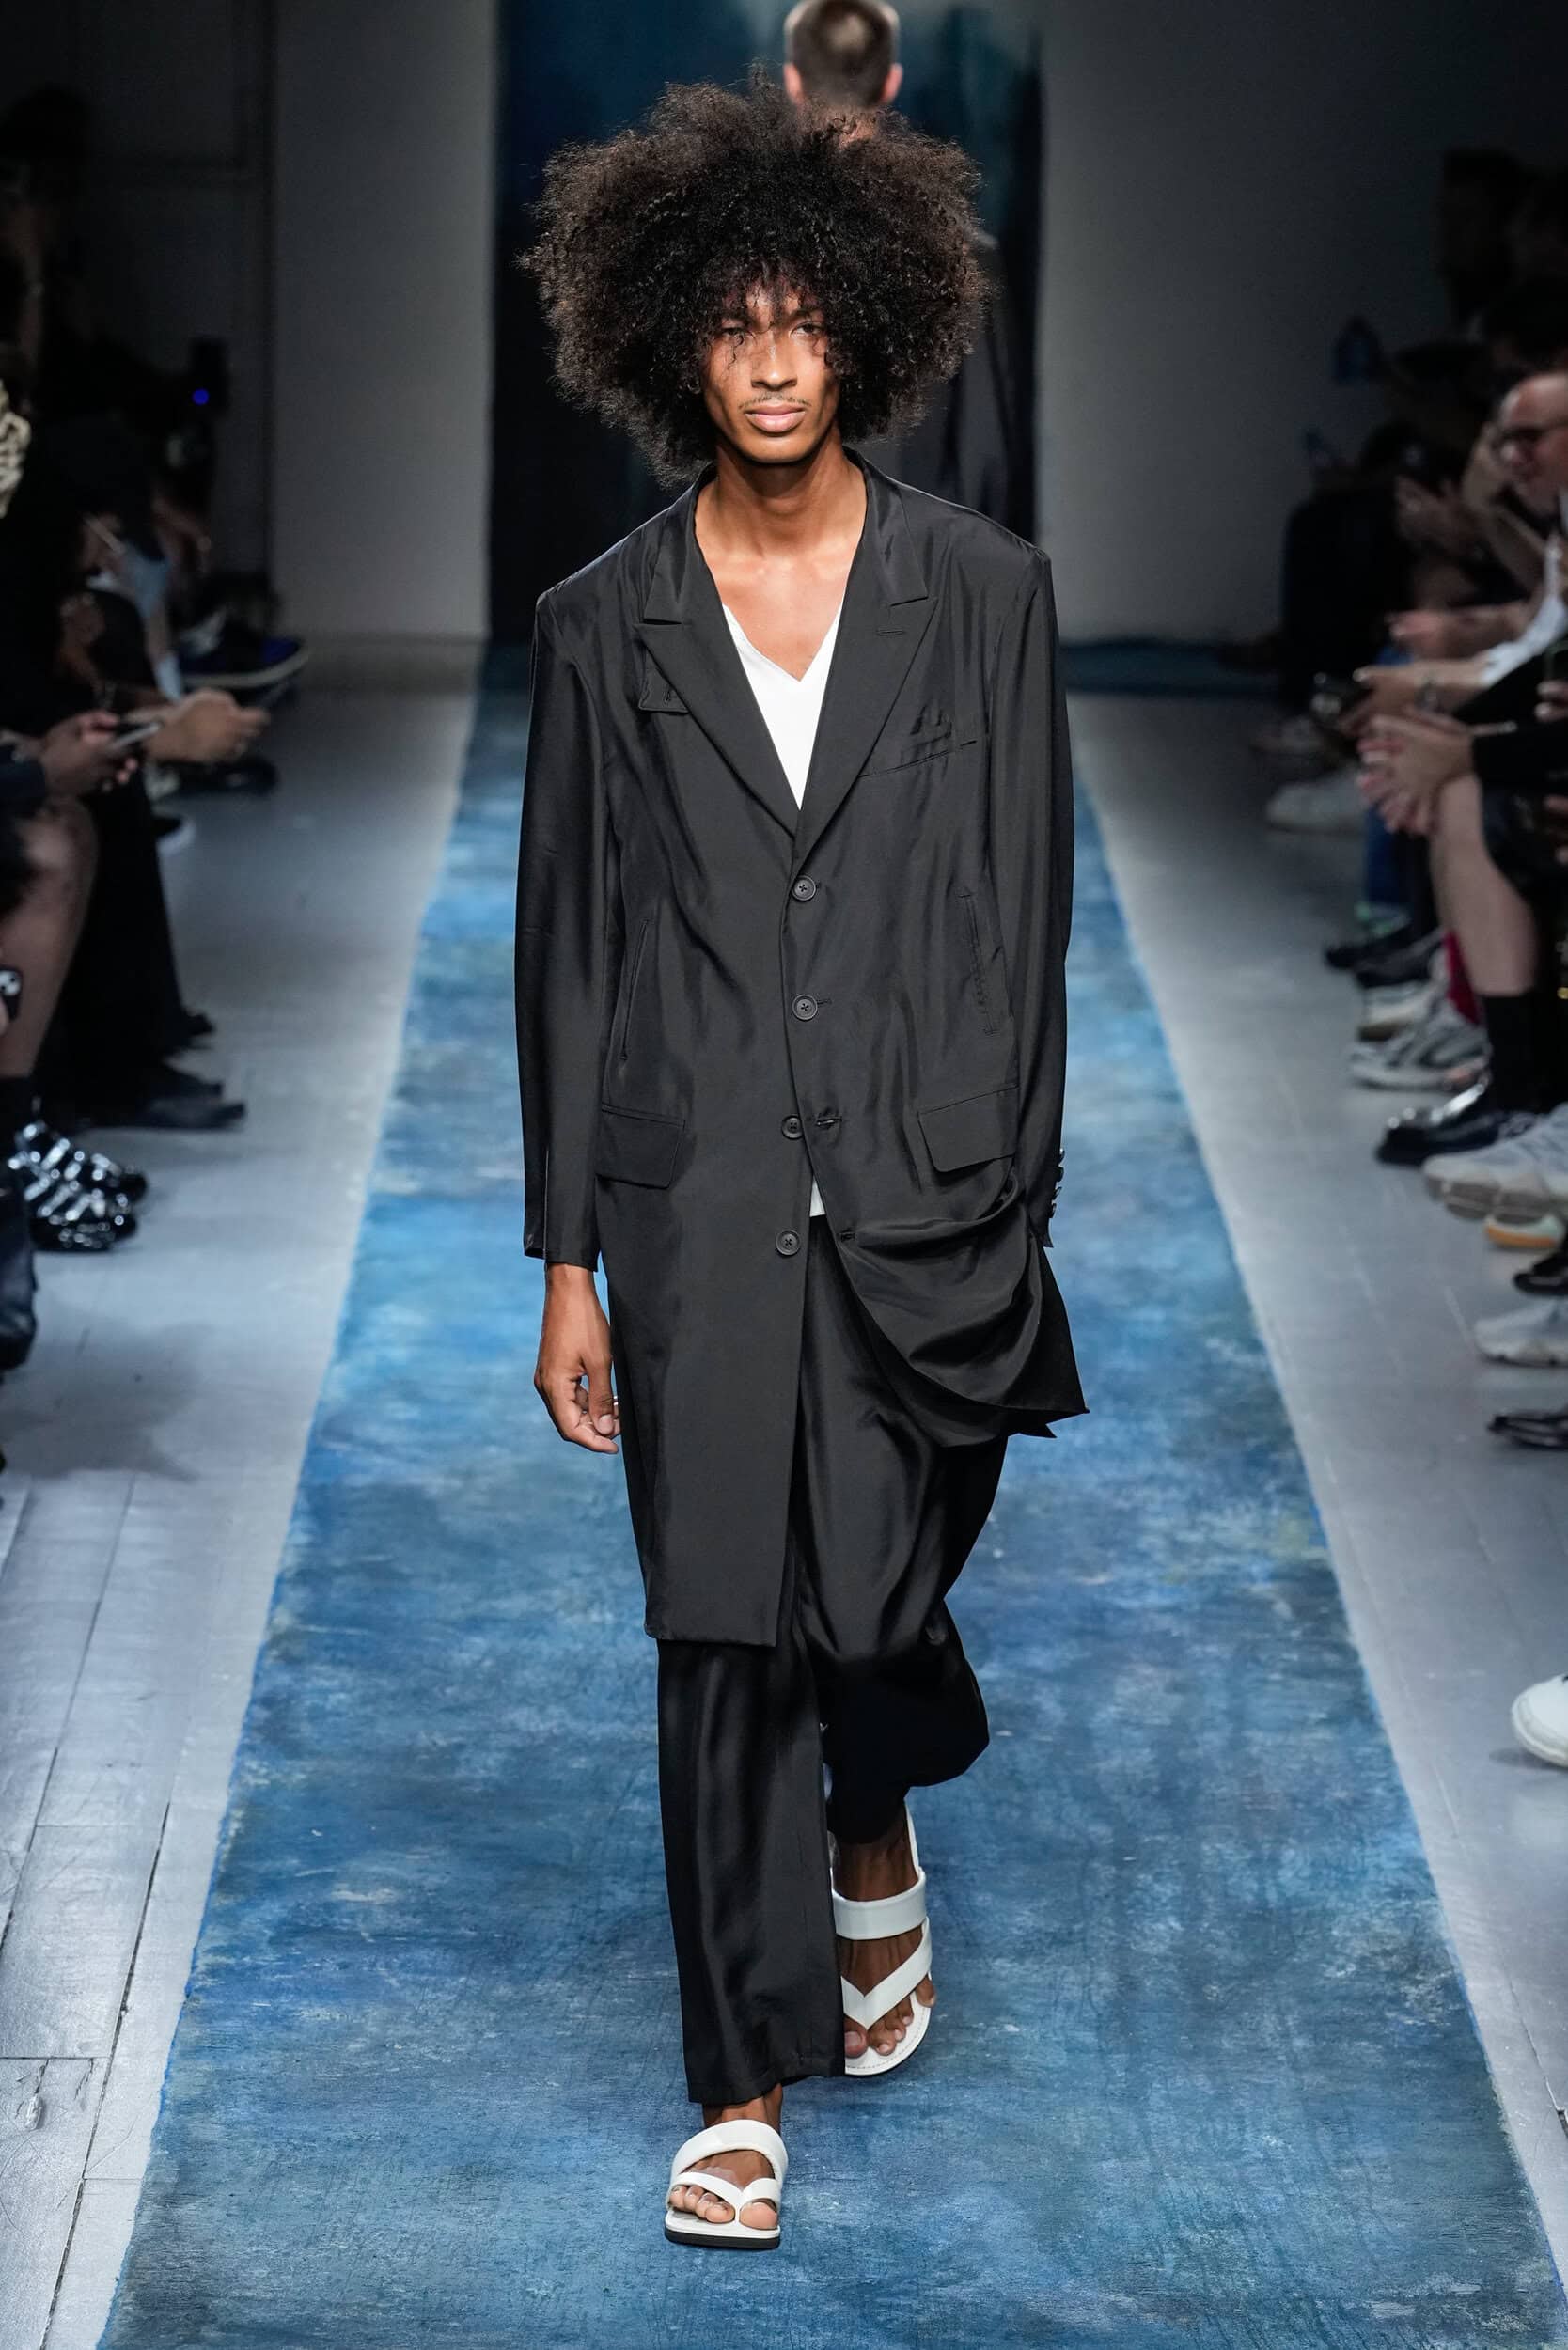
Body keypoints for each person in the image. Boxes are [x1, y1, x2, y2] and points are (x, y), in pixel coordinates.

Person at [519, 79, 1081, 2248]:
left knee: (876, 1598)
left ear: (866, 326)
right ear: (674, 343)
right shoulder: (605, 623)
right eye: (732, 324)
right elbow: (569, 954)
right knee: (721, 1630)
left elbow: (1019, 915)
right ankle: (739, 2089)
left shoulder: (982, 594)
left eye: (804, 320)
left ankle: (873, 1816)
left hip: (933, 1188)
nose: (770, 362)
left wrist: (1010, 1195)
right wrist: (568, 1261)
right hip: (699, 1205)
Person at [782, 0, 1031, 533]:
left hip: (765, 570)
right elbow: (987, 461)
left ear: (793, 82)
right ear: (890, 83)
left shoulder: (745, 254)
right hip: (917, 566)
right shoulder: (964, 258)